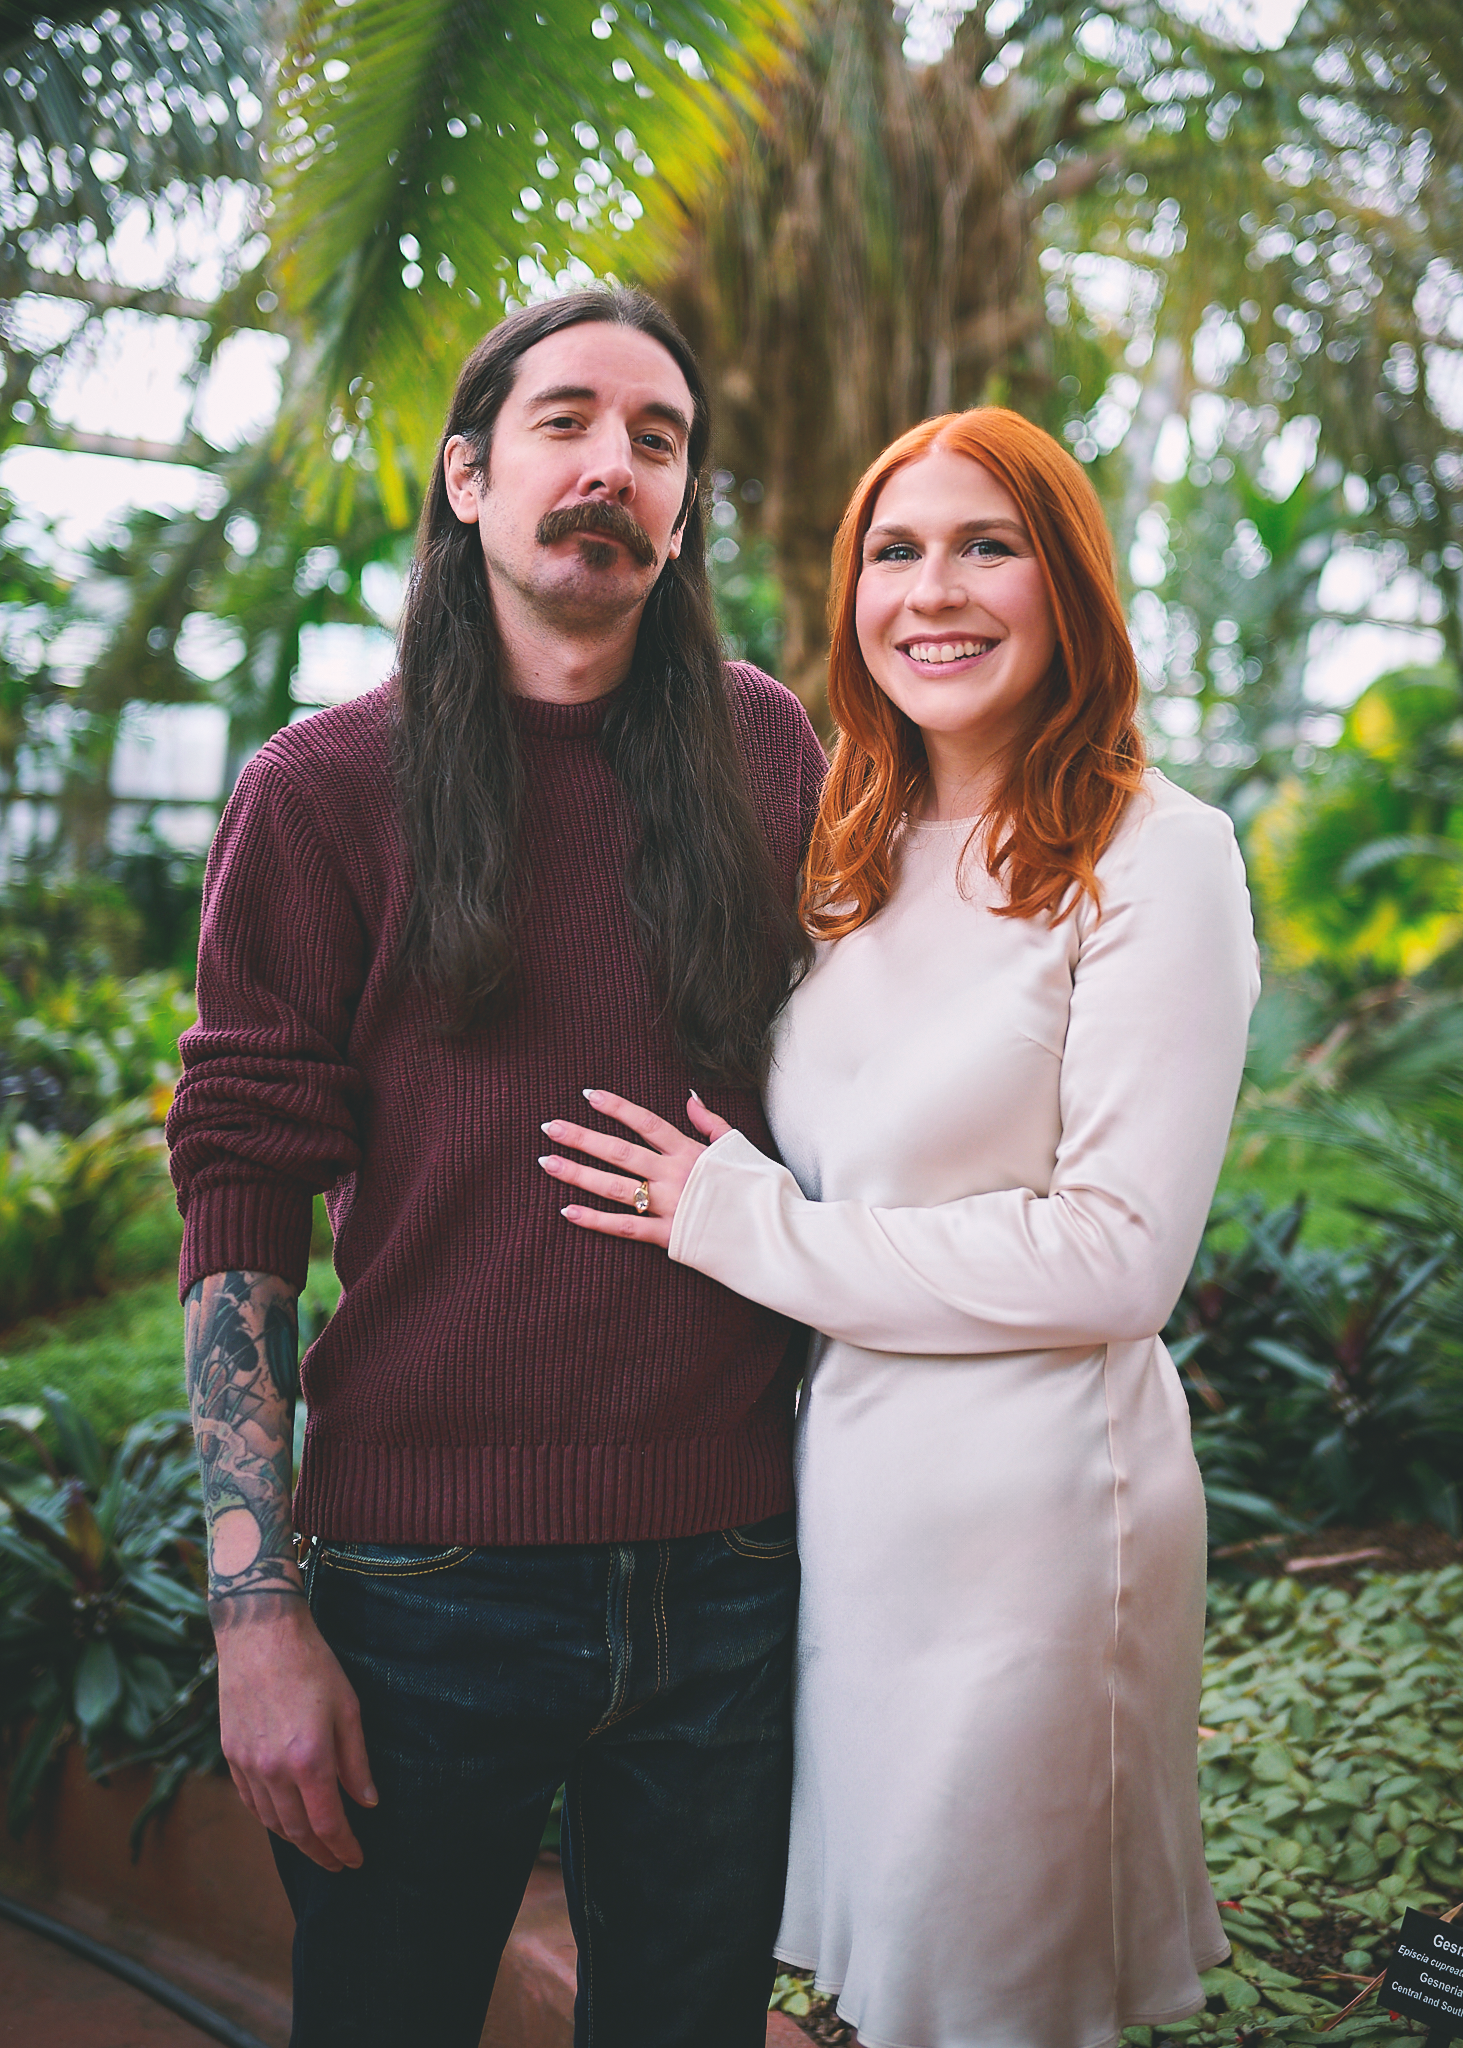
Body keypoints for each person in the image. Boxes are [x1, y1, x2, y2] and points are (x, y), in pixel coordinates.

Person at [537, 405, 1260, 2048]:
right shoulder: (849, 860)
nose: (933, 591)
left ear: (1066, 584)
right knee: (890, 1994)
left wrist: (748, 1231)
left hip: (1038, 1527)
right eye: (895, 550)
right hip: (848, 1513)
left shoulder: (1160, 857)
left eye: (985, 544)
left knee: (996, 1999)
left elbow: (1116, 1255)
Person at [166, 287, 826, 2048]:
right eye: (566, 423)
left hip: (735, 1567)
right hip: (420, 1589)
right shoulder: (321, 795)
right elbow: (239, 1201)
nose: (612, 464)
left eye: (658, 439)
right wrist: (254, 1617)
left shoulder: (768, 758)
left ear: (682, 510)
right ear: (466, 478)